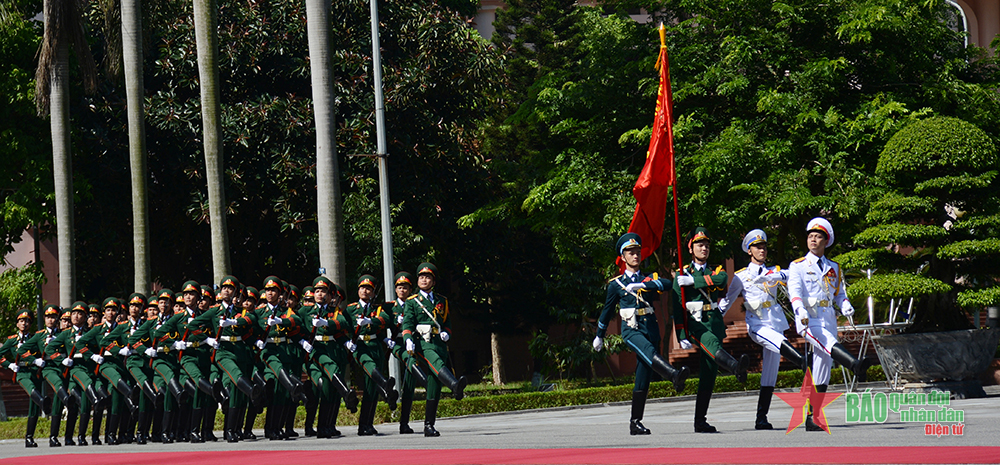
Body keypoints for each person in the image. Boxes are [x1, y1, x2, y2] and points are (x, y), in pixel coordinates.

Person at [593, 232, 689, 435]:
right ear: (623, 256)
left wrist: (643, 285)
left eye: (637, 252)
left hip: (650, 328)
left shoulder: (648, 279)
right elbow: (607, 310)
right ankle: (672, 374)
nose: (635, 255)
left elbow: (667, 284)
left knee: (643, 376)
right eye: (630, 252)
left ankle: (635, 422)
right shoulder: (616, 284)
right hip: (632, 330)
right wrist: (599, 335)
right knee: (646, 350)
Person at [787, 217, 871, 431]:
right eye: (810, 236)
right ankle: (854, 364)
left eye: (818, 237)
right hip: (808, 319)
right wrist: (800, 310)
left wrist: (846, 306)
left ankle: (812, 417)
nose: (813, 240)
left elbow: (839, 294)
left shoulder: (834, 267)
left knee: (822, 367)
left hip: (827, 318)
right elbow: (794, 293)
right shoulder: (797, 266)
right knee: (826, 341)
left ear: (826, 241)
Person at [720, 229, 807, 430]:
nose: (762, 250)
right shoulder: (741, 276)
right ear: (749, 251)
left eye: (764, 247)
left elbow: (791, 275)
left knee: (770, 373)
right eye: (757, 247)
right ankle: (803, 361)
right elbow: (727, 301)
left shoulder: (774, 271)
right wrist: (713, 318)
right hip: (757, 324)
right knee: (778, 342)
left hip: (775, 323)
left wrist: (773, 276)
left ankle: (761, 418)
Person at [673, 227, 749, 433]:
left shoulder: (714, 271)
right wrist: (681, 335)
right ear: (691, 249)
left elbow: (722, 280)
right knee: (711, 343)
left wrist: (694, 281)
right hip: (696, 324)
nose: (704, 248)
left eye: (706, 244)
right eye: (699, 244)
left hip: (713, 322)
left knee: (709, 373)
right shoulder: (681, 275)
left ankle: (700, 421)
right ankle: (734, 367)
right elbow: (677, 307)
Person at [187, 276, 263, 443]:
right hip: (223, 351)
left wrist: (233, 321)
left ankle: (230, 430)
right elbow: (192, 325)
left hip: (240, 351)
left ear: (235, 292)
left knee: (235, 392)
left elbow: (252, 319)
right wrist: (207, 339)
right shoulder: (214, 311)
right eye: (224, 288)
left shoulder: (238, 311)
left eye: (230, 289)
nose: (226, 291)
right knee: (235, 375)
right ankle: (252, 391)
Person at [402, 262, 467, 437]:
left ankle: (428, 426)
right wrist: (408, 339)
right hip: (423, 343)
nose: (424, 279)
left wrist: (447, 333)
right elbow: (407, 323)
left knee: (434, 384)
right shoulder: (412, 301)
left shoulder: (442, 301)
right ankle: (454, 385)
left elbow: (448, 324)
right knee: (436, 363)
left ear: (434, 281)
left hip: (439, 342)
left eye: (427, 277)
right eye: (421, 277)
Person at [302, 276, 359, 438]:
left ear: (328, 294)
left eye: (323, 291)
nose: (320, 294)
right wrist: (301, 340)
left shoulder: (333, 312)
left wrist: (327, 324)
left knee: (327, 390)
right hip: (316, 351)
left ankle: (324, 426)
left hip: (331, 350)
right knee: (330, 369)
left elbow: (343, 323)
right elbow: (294, 322)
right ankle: (346, 393)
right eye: (317, 291)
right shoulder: (306, 310)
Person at [347, 274, 398, 436]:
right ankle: (384, 383)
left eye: (368, 289)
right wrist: (349, 341)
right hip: (360, 347)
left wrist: (370, 321)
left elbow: (384, 320)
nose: (365, 291)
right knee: (370, 368)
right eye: (362, 288)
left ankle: (366, 424)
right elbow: (343, 326)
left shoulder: (377, 309)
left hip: (374, 347)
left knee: (371, 390)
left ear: (373, 292)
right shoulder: (351, 309)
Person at [1, 310, 50, 447]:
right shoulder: (12, 340)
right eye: (21, 321)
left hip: (35, 371)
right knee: (31, 388)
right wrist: (9, 364)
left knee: (33, 406)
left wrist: (39, 361)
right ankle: (42, 401)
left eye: (27, 321)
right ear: (17, 324)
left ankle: (29, 437)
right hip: (21, 372)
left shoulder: (36, 338)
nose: (24, 323)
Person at [389, 271, 428, 434]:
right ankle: (427, 383)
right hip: (398, 343)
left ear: (410, 289)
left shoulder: (417, 304)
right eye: (399, 287)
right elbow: (381, 322)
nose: (402, 290)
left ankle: (403, 423)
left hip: (413, 342)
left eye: (405, 287)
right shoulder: (389, 306)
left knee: (409, 386)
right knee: (410, 360)